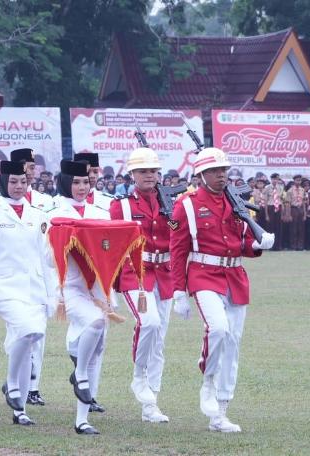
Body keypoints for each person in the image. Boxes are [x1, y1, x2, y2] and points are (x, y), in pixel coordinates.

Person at [170, 148, 274, 433]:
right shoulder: (186, 205)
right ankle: (207, 378)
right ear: (201, 175)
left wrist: (257, 246)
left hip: (235, 277)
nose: (221, 175)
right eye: (215, 171)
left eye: (224, 170)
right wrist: (178, 291)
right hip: (204, 274)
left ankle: (221, 411)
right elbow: (177, 250)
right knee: (218, 329)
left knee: (232, 344)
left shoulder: (236, 201)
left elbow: (243, 243)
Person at [0, 160, 56, 427]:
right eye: (13, 182)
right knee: (26, 331)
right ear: (4, 183)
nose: (19, 186)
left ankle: (19, 408)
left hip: (34, 288)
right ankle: (12, 383)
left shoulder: (38, 214)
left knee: (32, 337)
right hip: (5, 287)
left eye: (23, 181)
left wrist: (51, 294)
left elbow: (46, 259)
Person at [109, 147, 176, 424]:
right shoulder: (121, 206)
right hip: (134, 271)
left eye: (153, 170)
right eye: (143, 171)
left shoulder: (171, 202)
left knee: (159, 339)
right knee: (149, 323)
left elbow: (179, 235)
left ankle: (152, 404)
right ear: (132, 174)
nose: (149, 175)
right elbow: (112, 246)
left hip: (166, 272)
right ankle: (138, 377)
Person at [46, 159, 111, 434]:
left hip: (97, 288)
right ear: (64, 183)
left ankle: (82, 419)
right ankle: (79, 372)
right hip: (68, 287)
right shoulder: (53, 213)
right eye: (76, 182)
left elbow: (109, 248)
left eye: (85, 181)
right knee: (94, 324)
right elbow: (47, 258)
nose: (82, 187)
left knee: (96, 349)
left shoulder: (101, 212)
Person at [9, 147, 52, 406]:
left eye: (33, 166)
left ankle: (33, 386)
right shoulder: (4, 200)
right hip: (12, 274)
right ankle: (15, 379)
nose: (31, 170)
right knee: (17, 333)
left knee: (39, 332)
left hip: (37, 273)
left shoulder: (45, 201)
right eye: (26, 166)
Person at [263, 174, 285, 250]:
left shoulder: (281, 188)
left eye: (276, 179)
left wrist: (282, 213)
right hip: (270, 207)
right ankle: (270, 246)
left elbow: (282, 200)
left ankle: (278, 246)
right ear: (271, 179)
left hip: (278, 207)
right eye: (273, 179)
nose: (275, 181)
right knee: (270, 228)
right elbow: (265, 202)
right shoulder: (267, 188)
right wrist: (266, 215)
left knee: (279, 228)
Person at [287, 176, 306, 251]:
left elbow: (304, 202)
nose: (298, 182)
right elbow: (288, 203)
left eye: (299, 180)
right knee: (293, 229)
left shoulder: (302, 190)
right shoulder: (290, 191)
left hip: (300, 209)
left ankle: (300, 246)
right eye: (297, 180)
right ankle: (293, 246)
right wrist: (289, 214)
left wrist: (304, 213)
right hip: (293, 209)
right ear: (294, 181)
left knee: (301, 229)